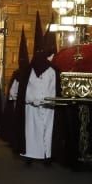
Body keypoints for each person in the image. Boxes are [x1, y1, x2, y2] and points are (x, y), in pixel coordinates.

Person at [20, 33, 58, 165]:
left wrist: (48, 101)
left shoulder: (52, 71)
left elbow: (53, 88)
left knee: (46, 131)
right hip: (31, 107)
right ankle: (30, 155)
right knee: (31, 133)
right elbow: (24, 90)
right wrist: (30, 100)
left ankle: (46, 155)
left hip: (47, 107)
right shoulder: (29, 71)